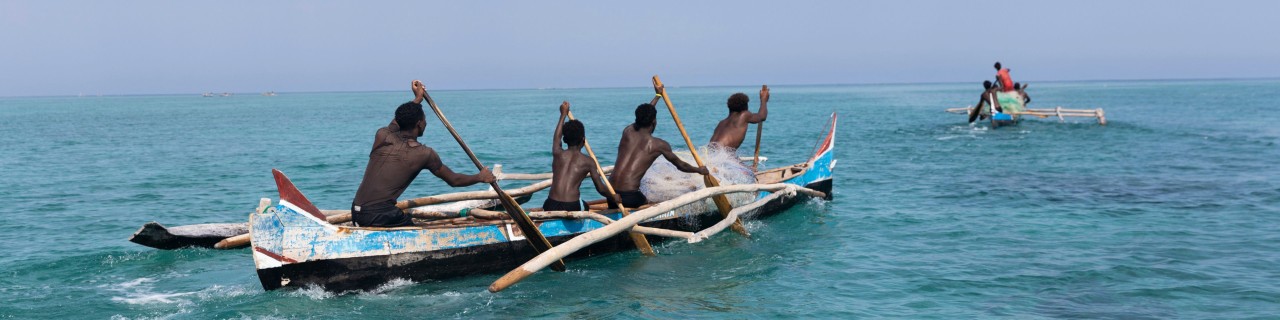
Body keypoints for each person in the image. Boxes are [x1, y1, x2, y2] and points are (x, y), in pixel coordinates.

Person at [350, 80, 496, 227]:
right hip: (380, 215)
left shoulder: (382, 135)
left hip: (356, 211)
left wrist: (418, 98)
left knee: (404, 219)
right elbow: (454, 180)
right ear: (419, 124)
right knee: (413, 228)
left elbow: (401, 117)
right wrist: (480, 177)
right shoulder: (424, 154)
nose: (426, 123)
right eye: (424, 120)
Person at [607, 103, 709, 209]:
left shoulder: (628, 131)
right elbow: (681, 166)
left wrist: (657, 95)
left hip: (610, 194)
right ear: (654, 121)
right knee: (647, 201)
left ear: (637, 118)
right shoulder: (659, 145)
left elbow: (644, 114)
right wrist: (699, 170)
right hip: (629, 197)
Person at [545, 101, 609, 212]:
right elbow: (600, 188)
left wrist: (563, 115)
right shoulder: (589, 161)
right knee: (586, 206)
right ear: (583, 140)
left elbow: (556, 137)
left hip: (550, 204)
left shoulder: (558, 153)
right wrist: (614, 196)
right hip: (571, 206)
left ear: (565, 140)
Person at [708, 85, 769, 151]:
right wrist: (764, 100)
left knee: (737, 160)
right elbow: (762, 116)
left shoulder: (721, 123)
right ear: (745, 107)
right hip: (721, 154)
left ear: (729, 107)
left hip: (708, 153)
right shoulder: (744, 115)